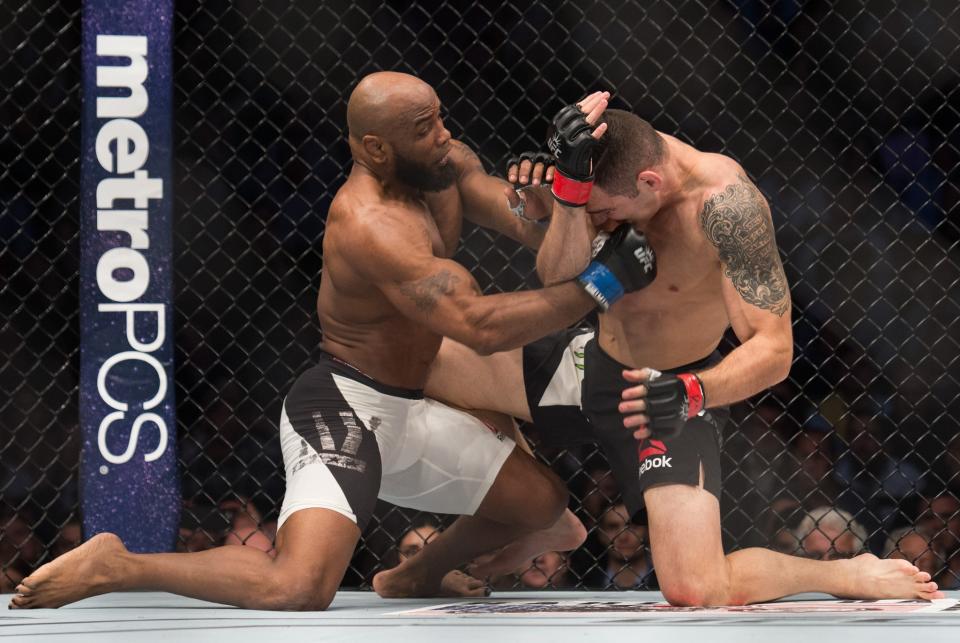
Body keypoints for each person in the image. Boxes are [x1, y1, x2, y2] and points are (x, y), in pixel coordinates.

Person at [9, 74, 652, 611]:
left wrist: (559, 196)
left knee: (542, 500)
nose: (446, 134)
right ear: (375, 147)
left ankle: (417, 576)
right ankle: (121, 566)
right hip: (343, 409)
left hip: (409, 410)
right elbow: (478, 326)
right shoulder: (368, 224)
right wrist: (602, 282)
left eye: (440, 117)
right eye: (426, 126)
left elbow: (521, 221)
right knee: (301, 586)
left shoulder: (443, 166)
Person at [424, 106, 943, 602]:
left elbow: (774, 349)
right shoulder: (598, 169)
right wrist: (563, 197)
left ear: (650, 183)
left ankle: (847, 573)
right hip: (588, 365)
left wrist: (692, 392)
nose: (599, 225)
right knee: (418, 360)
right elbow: (558, 278)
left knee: (696, 588)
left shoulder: (727, 207)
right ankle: (537, 516)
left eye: (603, 214)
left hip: (667, 392)